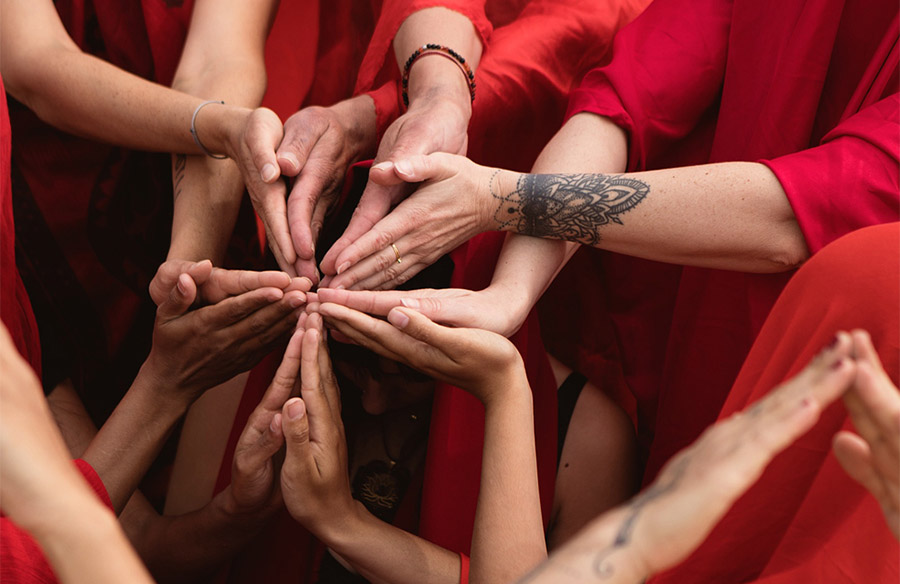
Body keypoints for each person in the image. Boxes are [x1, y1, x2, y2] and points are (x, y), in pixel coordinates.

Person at [321, 221, 900, 581]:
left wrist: (506, 392)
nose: (371, 403)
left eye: (406, 373)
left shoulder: (586, 431)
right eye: (355, 373)